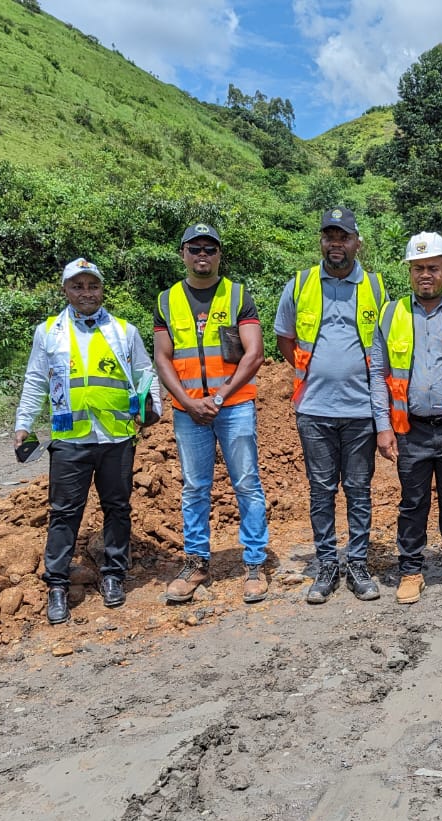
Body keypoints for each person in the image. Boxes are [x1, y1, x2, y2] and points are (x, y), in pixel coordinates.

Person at [14, 258, 160, 625]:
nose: (86, 293)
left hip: (117, 436)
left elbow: (145, 372)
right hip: (70, 437)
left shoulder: (123, 331)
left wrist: (151, 407)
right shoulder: (49, 332)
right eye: (77, 286)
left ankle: (113, 574)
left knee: (117, 507)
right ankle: (58, 584)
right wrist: (23, 424)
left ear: (102, 289)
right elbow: (35, 380)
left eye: (92, 286)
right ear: (65, 290)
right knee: (64, 512)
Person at [275, 209, 389, 604]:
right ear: (321, 241)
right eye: (329, 237)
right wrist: (318, 373)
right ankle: (326, 564)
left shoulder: (375, 288)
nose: (336, 244)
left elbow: (384, 347)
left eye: (343, 237)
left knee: (358, 489)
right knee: (321, 490)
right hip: (315, 410)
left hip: (361, 411)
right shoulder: (301, 284)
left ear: (358, 242)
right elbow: (285, 340)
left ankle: (357, 563)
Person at [154, 223, 269, 604]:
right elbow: (162, 357)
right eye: (195, 248)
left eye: (210, 248)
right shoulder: (166, 300)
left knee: (247, 483)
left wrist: (218, 397)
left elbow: (253, 354)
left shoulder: (238, 296)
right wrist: (188, 402)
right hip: (189, 413)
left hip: (233, 407)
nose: (202, 255)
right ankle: (196, 561)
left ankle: (254, 562)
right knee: (195, 488)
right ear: (183, 253)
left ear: (219, 254)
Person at [369, 232, 442, 605]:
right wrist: (383, 427)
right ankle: (410, 571)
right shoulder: (391, 314)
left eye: (433, 267)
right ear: (409, 271)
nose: (426, 275)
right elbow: (377, 373)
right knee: (412, 502)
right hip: (409, 428)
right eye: (418, 268)